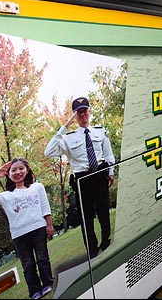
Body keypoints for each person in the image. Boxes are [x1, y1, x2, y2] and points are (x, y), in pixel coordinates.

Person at [44, 97, 115, 259]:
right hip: (83, 180)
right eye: (79, 112)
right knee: (86, 218)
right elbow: (48, 152)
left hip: (100, 176)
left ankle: (106, 241)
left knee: (104, 212)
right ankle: (92, 250)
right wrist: (64, 127)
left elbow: (108, 154)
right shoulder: (68, 138)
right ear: (74, 116)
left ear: (89, 111)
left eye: (85, 111)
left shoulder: (100, 131)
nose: (83, 115)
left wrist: (110, 173)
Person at [0, 158, 54, 299]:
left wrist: (49, 225)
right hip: (19, 235)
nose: (18, 172)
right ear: (8, 174)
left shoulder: (37, 187)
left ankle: (48, 284)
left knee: (42, 259)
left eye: (21, 168)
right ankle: (35, 291)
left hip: (38, 229)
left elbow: (45, 208)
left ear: (27, 169)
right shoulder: (5, 196)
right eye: (13, 170)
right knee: (28, 264)